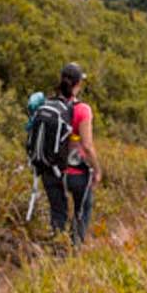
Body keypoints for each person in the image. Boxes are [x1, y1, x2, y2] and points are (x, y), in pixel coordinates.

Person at [41, 62, 102, 245]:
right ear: (78, 84)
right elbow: (87, 145)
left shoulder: (47, 105)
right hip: (76, 174)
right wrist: (97, 170)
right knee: (81, 213)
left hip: (50, 171)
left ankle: (57, 251)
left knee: (58, 214)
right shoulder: (83, 110)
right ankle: (74, 254)